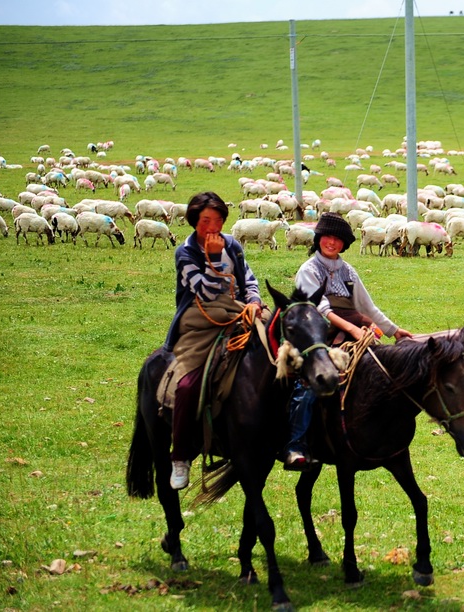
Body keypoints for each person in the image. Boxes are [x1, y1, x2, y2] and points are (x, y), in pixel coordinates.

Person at [284, 211, 413, 470]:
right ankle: (295, 444)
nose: (331, 243)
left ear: (344, 243)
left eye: (338, 239)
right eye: (327, 237)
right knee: (309, 384)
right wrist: (354, 331)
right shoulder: (308, 270)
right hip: (315, 336)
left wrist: (394, 331)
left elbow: (368, 306)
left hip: (353, 329)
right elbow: (321, 310)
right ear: (318, 238)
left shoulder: (348, 271)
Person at [162, 191, 263, 489]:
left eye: (218, 219)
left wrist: (255, 300)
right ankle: (180, 457)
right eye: (206, 220)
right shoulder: (186, 252)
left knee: (282, 349)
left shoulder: (232, 244)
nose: (213, 226)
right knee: (188, 384)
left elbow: (248, 278)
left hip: (239, 311)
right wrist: (216, 257)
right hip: (200, 318)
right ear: (195, 220)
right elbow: (205, 291)